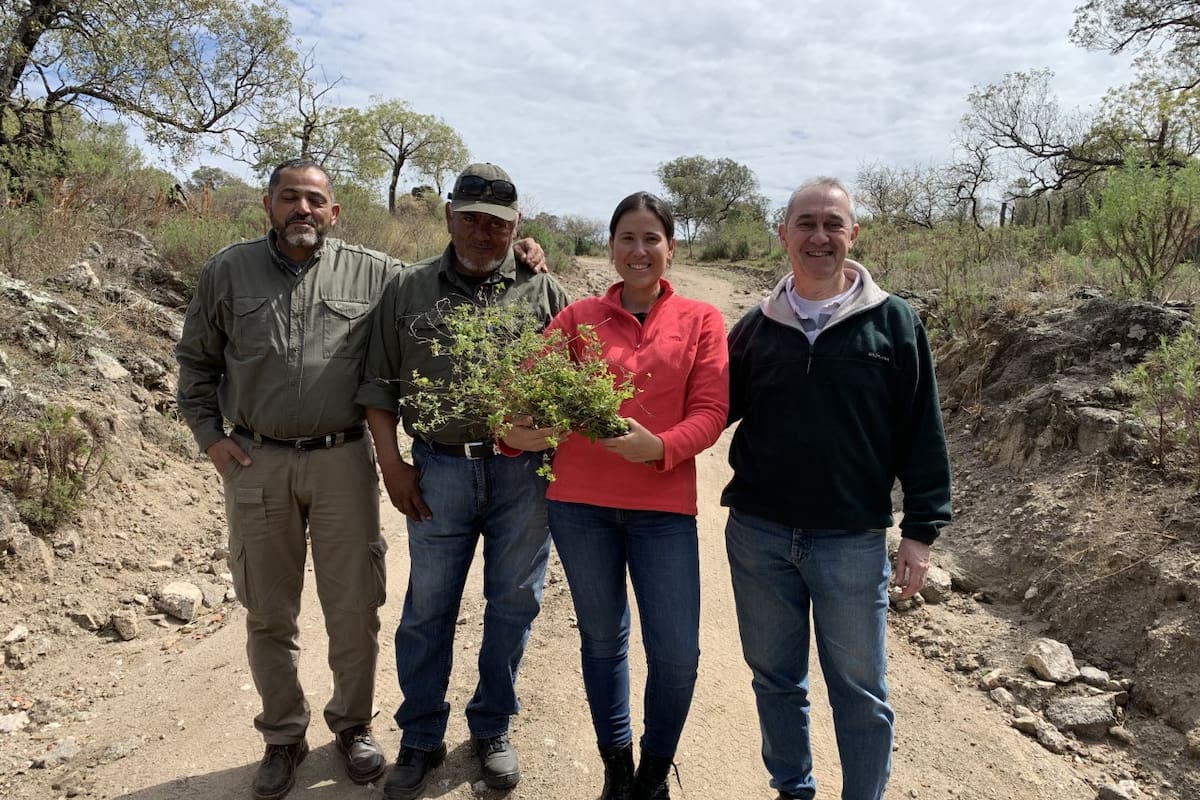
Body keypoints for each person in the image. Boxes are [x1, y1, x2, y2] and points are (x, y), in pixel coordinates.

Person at [175, 159, 545, 800]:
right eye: (291, 198)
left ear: (335, 212)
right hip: (260, 462)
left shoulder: (378, 272)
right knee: (271, 610)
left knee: (357, 608)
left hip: (351, 460)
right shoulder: (227, 271)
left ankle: (356, 727)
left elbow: (461, 280)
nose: (303, 210)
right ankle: (285, 737)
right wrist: (211, 438)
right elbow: (196, 361)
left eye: (315, 200)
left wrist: (523, 252)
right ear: (269, 204)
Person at [721, 177, 952, 800]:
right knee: (775, 680)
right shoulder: (755, 327)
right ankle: (792, 789)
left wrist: (921, 531)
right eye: (806, 223)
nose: (819, 236)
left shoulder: (894, 322)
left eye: (832, 223)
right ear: (784, 235)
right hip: (759, 537)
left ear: (854, 234)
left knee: (861, 691)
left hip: (851, 541)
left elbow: (921, 431)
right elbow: (704, 407)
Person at [504, 192, 728, 799]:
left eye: (651, 238)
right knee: (603, 642)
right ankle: (617, 773)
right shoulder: (578, 319)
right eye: (626, 238)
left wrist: (659, 447)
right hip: (581, 507)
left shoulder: (701, 320)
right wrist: (520, 428)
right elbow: (524, 392)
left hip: (665, 511)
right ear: (610, 248)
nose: (639, 250)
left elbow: (711, 410)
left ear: (670, 249)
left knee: (677, 654)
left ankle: (654, 776)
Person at [355, 163, 570, 800]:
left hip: (523, 475)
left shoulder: (542, 290)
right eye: (471, 218)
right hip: (439, 469)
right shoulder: (408, 288)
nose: (484, 233)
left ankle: (492, 727)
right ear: (449, 217)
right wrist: (392, 465)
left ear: (516, 227)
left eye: (498, 224)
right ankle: (420, 735)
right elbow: (377, 384)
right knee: (428, 609)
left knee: (514, 603)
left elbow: (576, 378)